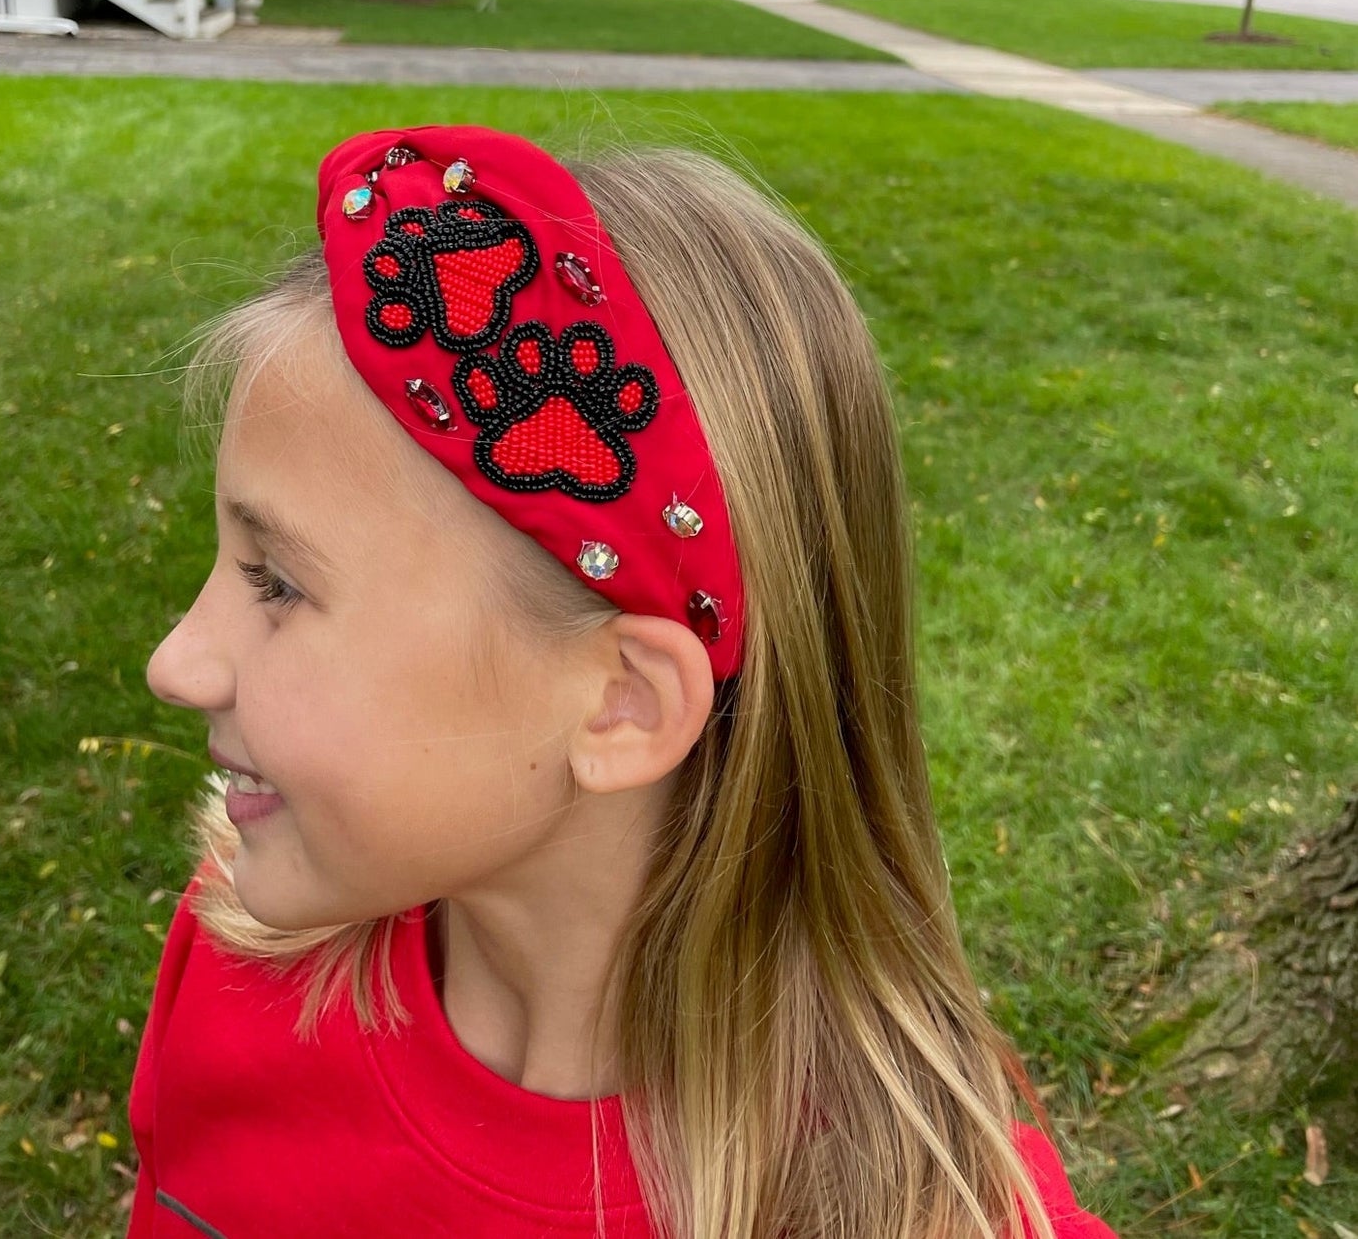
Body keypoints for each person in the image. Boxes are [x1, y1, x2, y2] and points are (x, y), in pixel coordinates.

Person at [130, 126, 1118, 1239]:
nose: (178, 658)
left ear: (620, 702)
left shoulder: (913, 1207)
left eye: (275, 581)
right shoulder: (234, 960)